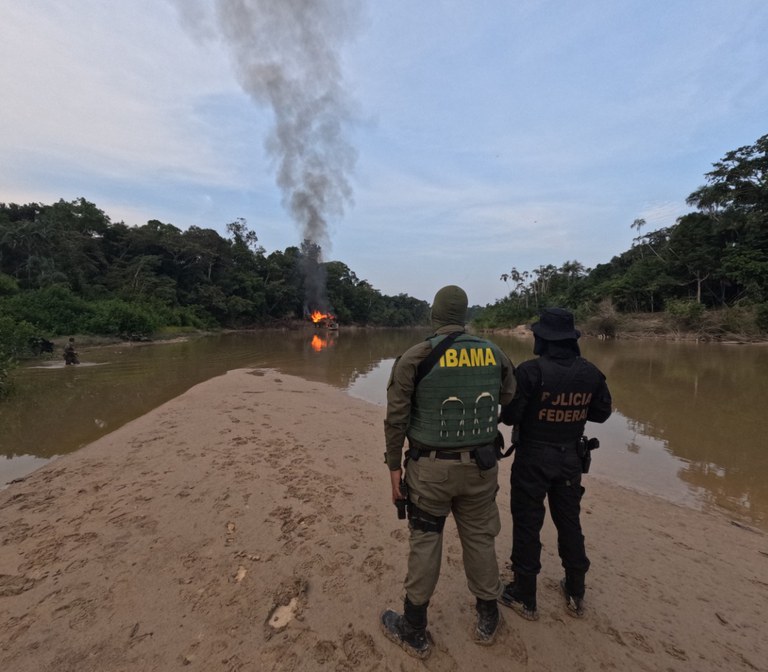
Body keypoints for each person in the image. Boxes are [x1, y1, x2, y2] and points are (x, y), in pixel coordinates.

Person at [380, 285, 516, 658]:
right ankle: (487, 616)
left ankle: (414, 628)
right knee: (480, 538)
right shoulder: (494, 353)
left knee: (425, 541)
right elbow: (508, 398)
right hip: (482, 469)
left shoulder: (414, 356)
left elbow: (396, 419)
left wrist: (394, 468)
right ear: (465, 315)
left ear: (434, 316)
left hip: (430, 472)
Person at [498, 307, 612, 620]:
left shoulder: (530, 372)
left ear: (543, 340)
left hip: (533, 459)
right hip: (570, 460)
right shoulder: (590, 372)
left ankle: (524, 595)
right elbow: (602, 413)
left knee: (527, 523)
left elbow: (509, 416)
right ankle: (576, 591)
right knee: (569, 522)